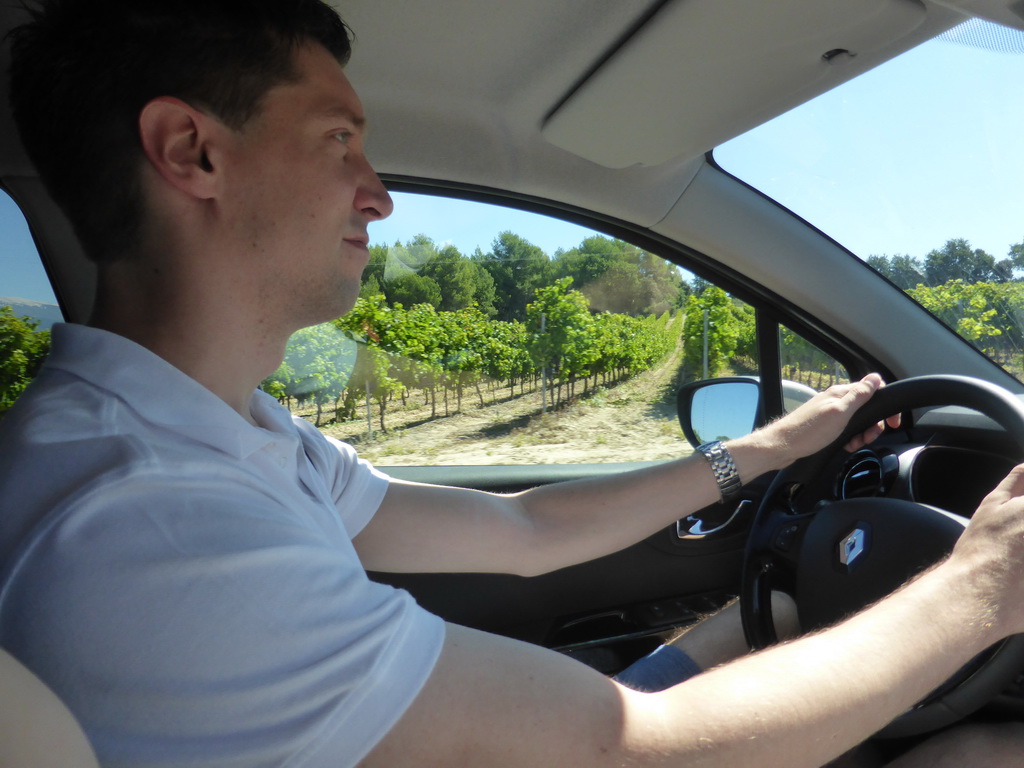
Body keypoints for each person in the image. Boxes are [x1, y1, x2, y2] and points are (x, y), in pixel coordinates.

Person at [2, 1, 1024, 766]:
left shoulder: (215, 433)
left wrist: (764, 452)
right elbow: (632, 753)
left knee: (758, 621)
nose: (381, 195)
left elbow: (522, 532)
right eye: (340, 139)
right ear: (191, 152)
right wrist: (979, 587)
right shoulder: (153, 519)